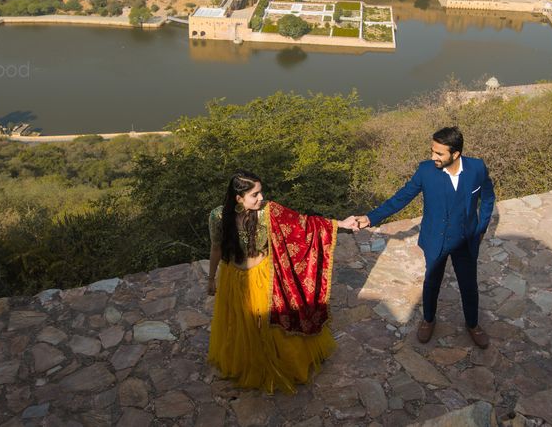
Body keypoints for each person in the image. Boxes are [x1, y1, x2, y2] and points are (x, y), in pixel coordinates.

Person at [207, 170, 359, 393]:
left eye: (261, 192)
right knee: (241, 324)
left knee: (271, 325)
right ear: (239, 198)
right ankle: (249, 362)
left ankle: (279, 362)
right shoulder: (218, 216)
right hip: (233, 277)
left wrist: (341, 224)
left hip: (264, 277)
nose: (261, 198)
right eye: (255, 195)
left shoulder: (269, 211)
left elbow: (305, 225)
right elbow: (216, 248)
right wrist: (211, 279)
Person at [352, 127, 496, 348]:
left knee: (469, 285)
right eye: (432, 151)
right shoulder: (426, 171)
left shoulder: (477, 167)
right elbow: (401, 198)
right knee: (431, 283)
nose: (433, 157)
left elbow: (487, 196)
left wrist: (482, 227)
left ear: (455, 154)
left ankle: (473, 324)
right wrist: (371, 218)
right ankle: (428, 320)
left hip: (465, 239)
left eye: (439, 153)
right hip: (435, 239)